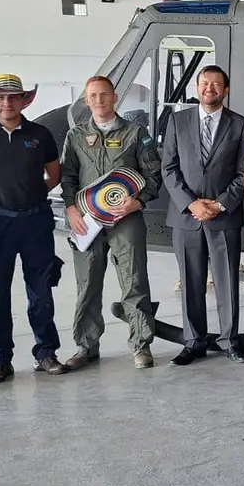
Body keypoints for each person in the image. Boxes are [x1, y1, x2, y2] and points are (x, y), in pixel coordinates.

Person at [0, 74, 68, 384]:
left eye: (13, 97)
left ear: (24, 100)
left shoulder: (40, 134)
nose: (7, 102)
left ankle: (45, 353)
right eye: (1, 97)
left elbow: (54, 175)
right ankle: (0, 360)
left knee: (41, 288)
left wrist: (33, 193)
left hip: (35, 221)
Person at [61, 76, 163, 370]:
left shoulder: (135, 133)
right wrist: (71, 209)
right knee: (87, 283)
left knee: (134, 281)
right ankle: (86, 345)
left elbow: (153, 174)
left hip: (126, 219)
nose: (99, 101)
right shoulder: (76, 136)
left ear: (114, 97)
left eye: (104, 95)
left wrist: (138, 201)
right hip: (87, 221)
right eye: (93, 96)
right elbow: (68, 175)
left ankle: (141, 345)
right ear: (86, 101)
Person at [162, 65, 244, 365]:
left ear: (225, 90)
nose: (209, 88)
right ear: (197, 87)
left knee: (227, 281)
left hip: (223, 216)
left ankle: (229, 340)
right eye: (204, 83)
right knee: (191, 281)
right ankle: (193, 341)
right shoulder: (177, 121)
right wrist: (191, 204)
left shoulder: (240, 125)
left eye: (216, 84)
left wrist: (219, 204)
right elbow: (169, 169)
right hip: (186, 217)